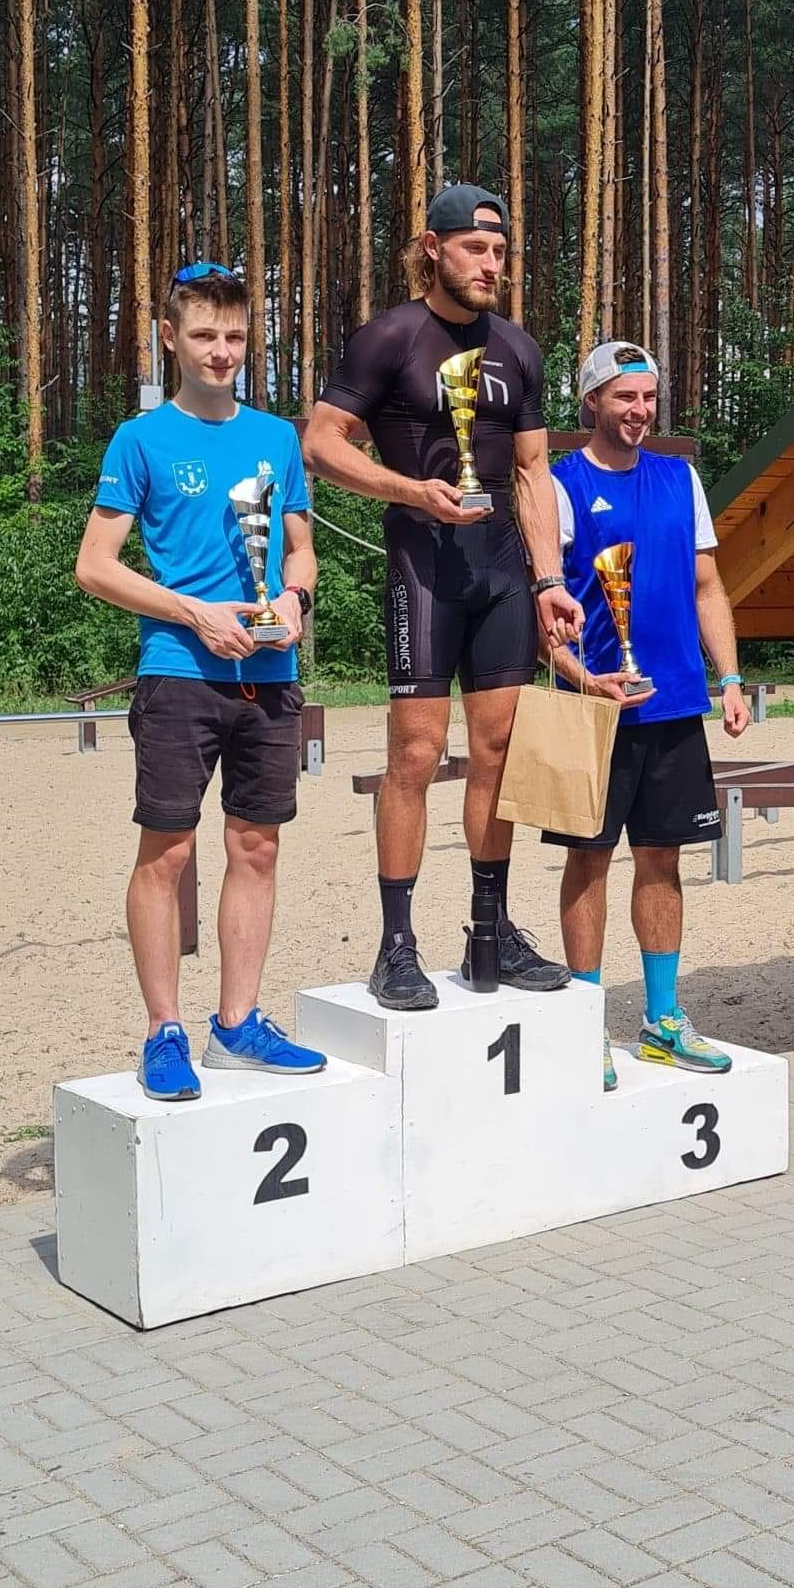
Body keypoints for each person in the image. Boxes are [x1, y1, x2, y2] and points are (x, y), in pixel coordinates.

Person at [303, 183, 583, 1009]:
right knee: (417, 757)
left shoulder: (518, 349)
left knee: (497, 751)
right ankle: (396, 946)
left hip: (501, 573)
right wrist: (407, 490)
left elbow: (531, 472)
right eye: (475, 249)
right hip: (423, 567)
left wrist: (549, 580)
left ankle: (490, 932)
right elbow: (321, 442)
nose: (491, 265)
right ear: (434, 248)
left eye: (499, 252)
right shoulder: (390, 336)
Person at [75, 261, 327, 1101]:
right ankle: (164, 1030)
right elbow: (95, 566)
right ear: (170, 339)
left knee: (257, 847)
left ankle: (237, 1023)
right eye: (205, 335)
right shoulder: (141, 438)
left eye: (236, 336)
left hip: (270, 671)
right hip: (179, 671)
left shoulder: (277, 438)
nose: (222, 351)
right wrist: (193, 613)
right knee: (168, 850)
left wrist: (293, 599)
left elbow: (301, 549)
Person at [547, 341, 750, 1092]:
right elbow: (544, 614)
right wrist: (583, 679)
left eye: (648, 397)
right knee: (589, 863)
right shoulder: (560, 484)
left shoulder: (679, 477)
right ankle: (583, 1026)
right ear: (592, 402)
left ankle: (662, 1020)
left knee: (662, 861)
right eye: (624, 396)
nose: (639, 410)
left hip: (675, 706)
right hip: (594, 713)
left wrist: (730, 677)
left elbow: (708, 586)